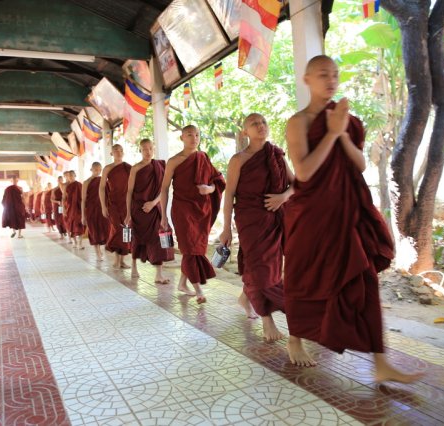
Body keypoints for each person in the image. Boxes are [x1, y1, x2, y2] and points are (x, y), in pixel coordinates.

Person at [283, 55, 422, 383]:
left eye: (334, 74)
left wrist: (342, 134)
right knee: (304, 277)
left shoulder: (348, 120)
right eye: (322, 74)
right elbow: (302, 171)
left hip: (346, 215)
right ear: (307, 79)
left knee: (364, 281)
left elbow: (359, 165)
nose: (330, 80)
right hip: (311, 216)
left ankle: (379, 362)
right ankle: (294, 338)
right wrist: (331, 134)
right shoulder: (299, 122)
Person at [219, 114, 294, 342]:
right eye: (254, 124)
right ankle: (267, 320)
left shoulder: (277, 155)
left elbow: (296, 184)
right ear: (245, 132)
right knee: (262, 269)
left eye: (263, 122)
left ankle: (246, 297)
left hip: (275, 219)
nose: (261, 126)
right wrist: (225, 228)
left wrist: (283, 197)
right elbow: (229, 193)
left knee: (264, 266)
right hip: (250, 219)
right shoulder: (239, 160)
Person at [160, 125, 225, 304]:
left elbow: (218, 180)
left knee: (194, 249)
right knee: (189, 248)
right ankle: (198, 290)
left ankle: (182, 283)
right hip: (182, 210)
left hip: (201, 211)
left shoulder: (203, 157)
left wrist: (209, 189)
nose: (194, 138)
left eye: (197, 134)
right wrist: (163, 216)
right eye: (189, 135)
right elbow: (164, 189)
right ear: (181, 138)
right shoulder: (174, 161)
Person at [125, 139, 174, 283]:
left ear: (154, 149)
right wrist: (128, 213)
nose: (148, 152)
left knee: (159, 239)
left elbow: (166, 189)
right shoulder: (135, 168)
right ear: (140, 150)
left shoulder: (160, 165)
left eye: (150, 148)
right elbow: (129, 192)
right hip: (138, 210)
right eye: (145, 149)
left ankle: (159, 274)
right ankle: (134, 266)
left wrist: (153, 203)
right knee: (136, 238)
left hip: (154, 209)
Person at [99, 144, 132, 268]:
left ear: (123, 152)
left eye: (121, 150)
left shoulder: (129, 168)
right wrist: (103, 206)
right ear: (111, 154)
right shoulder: (107, 168)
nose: (118, 152)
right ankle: (116, 260)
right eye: (116, 151)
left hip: (127, 204)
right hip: (113, 203)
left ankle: (122, 260)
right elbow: (102, 188)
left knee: (126, 231)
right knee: (117, 230)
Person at [82, 162, 110, 260]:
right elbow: (83, 200)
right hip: (91, 210)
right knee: (94, 231)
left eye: (99, 170)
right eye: (96, 170)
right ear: (91, 170)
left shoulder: (104, 180)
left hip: (102, 209)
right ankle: (97, 252)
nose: (98, 172)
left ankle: (106, 246)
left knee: (105, 228)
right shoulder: (87, 182)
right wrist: (83, 215)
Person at [63, 171, 84, 247]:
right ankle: (75, 242)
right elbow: (63, 198)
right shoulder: (67, 186)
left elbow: (84, 197)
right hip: (70, 208)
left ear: (75, 175)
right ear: (67, 177)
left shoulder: (80, 185)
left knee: (79, 225)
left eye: (72, 175)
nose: (71, 176)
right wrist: (64, 210)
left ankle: (80, 243)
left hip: (79, 208)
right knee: (71, 225)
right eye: (69, 176)